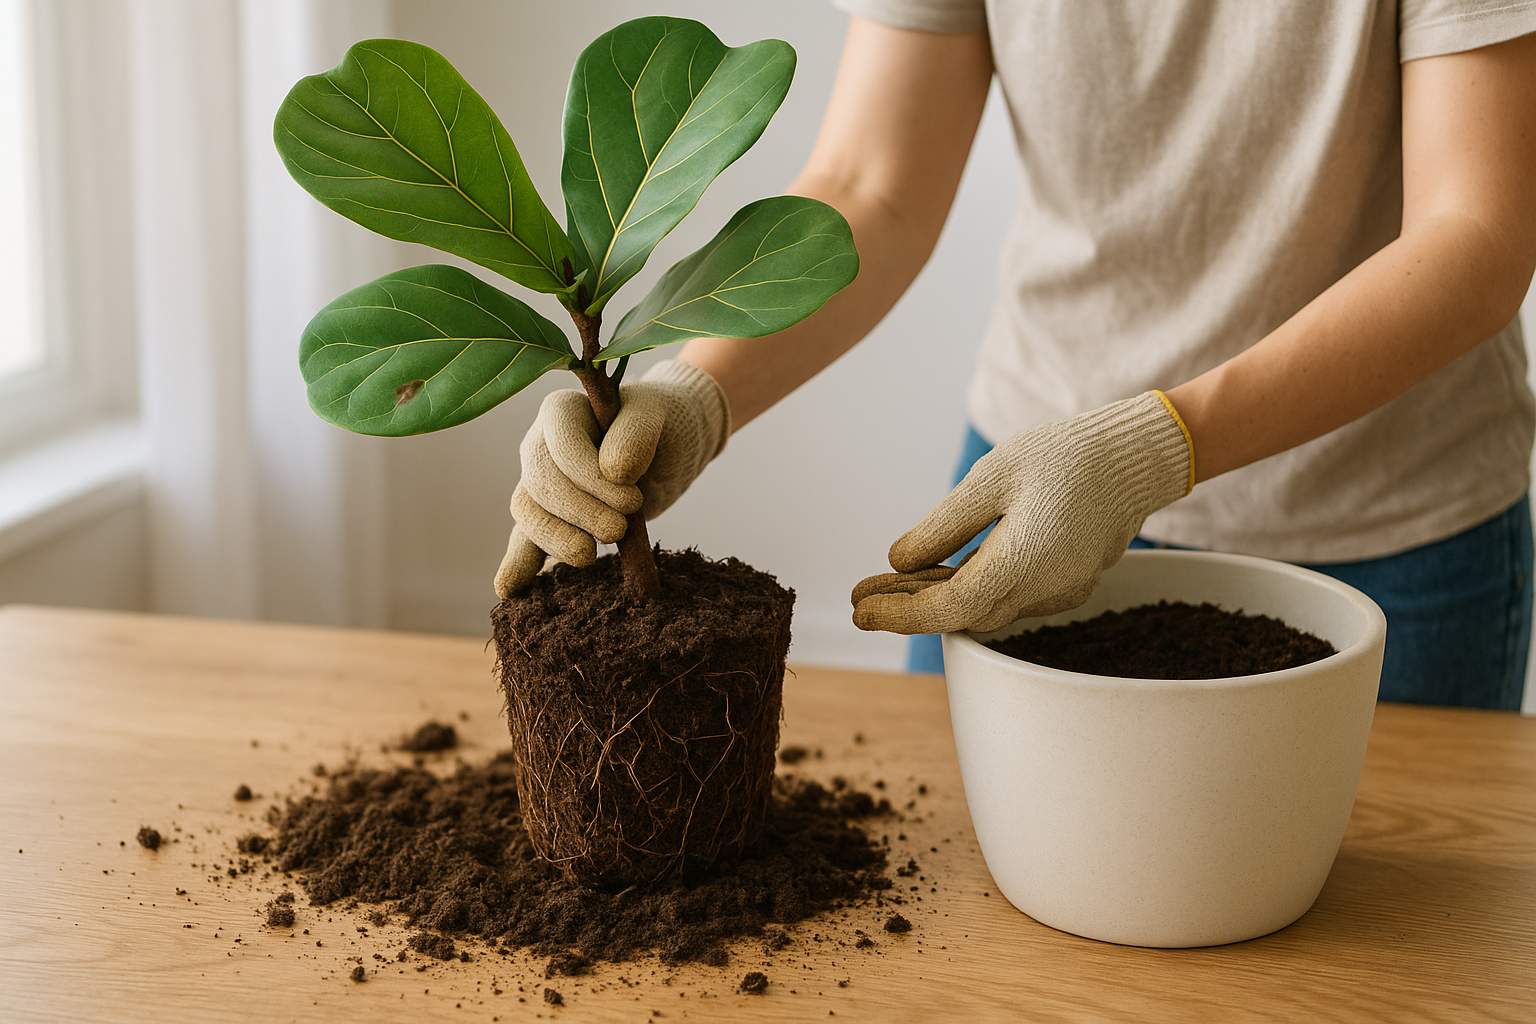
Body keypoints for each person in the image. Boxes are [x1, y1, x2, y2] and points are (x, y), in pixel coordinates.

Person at [496, 2, 1536, 710]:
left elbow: (1475, 236)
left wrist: (1153, 446)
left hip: (1384, 526)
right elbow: (874, 184)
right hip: (1027, 490)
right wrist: (692, 387)